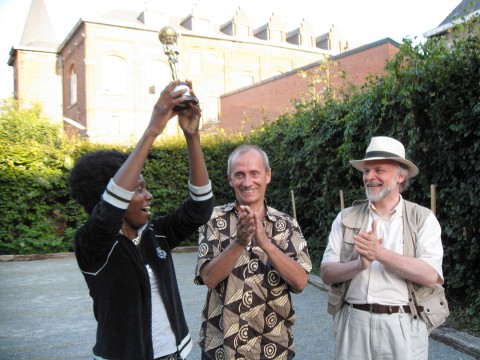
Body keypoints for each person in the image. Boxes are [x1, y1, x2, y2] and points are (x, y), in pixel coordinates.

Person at [69, 80, 214, 360]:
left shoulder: (154, 232)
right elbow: (109, 209)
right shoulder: (92, 245)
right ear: (117, 195)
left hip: (175, 354)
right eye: (138, 189)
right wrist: (153, 130)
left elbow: (200, 208)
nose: (148, 196)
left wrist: (192, 137)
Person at [321, 136, 445, 360]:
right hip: (353, 322)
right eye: (366, 171)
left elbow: (430, 276)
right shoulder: (345, 217)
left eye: (379, 170)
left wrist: (380, 254)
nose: (369, 177)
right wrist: (359, 265)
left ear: (400, 176)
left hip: (403, 325)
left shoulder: (422, 219)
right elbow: (327, 273)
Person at [195, 145, 312, 360]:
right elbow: (209, 278)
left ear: (268, 176)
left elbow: (300, 282)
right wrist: (239, 242)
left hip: (272, 347)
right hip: (220, 348)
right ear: (230, 179)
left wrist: (266, 244)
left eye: (254, 173)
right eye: (239, 174)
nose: (247, 182)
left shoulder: (287, 225)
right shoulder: (213, 219)